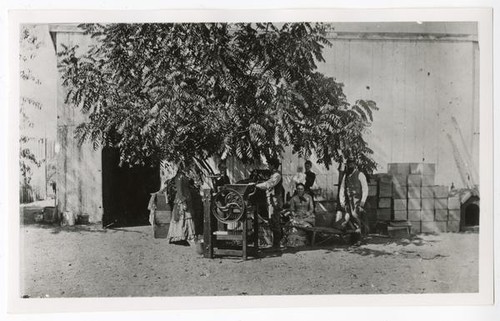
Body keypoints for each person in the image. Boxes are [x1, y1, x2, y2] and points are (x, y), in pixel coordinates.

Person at [254, 158, 284, 248]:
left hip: (275, 201)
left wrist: (255, 185)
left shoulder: (277, 175)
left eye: (269, 164)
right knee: (272, 221)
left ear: (273, 165)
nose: (268, 166)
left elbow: (268, 184)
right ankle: (275, 244)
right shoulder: (273, 174)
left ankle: (277, 244)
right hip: (271, 201)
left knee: (275, 221)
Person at [339, 158, 369, 246]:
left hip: (358, 200)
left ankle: (359, 239)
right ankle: (353, 238)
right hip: (349, 200)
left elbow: (365, 189)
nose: (350, 165)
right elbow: (342, 188)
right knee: (348, 217)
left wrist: (363, 201)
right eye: (349, 164)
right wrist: (342, 201)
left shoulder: (360, 174)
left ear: (355, 164)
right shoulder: (346, 176)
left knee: (355, 216)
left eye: (352, 164)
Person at [167, 166, 197, 245]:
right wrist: (183, 202)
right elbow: (180, 190)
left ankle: (187, 236)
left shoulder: (184, 176)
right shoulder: (179, 177)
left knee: (187, 218)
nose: (188, 169)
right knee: (184, 217)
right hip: (182, 199)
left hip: (187, 197)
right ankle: (180, 236)